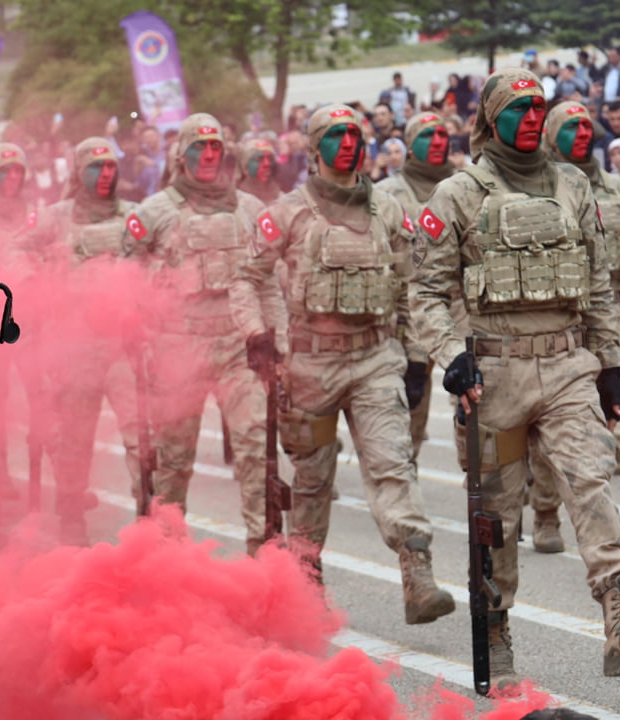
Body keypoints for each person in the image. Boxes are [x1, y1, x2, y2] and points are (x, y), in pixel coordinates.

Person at [411, 69, 620, 683]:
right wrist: (451, 354)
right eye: (519, 109)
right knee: (497, 519)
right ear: (491, 119)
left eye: (539, 108)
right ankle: (495, 630)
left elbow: (601, 285)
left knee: (592, 481)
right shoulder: (458, 193)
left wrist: (611, 363)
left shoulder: (573, 184)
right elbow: (425, 293)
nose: (533, 117)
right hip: (493, 376)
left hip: (566, 366)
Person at [229, 103, 455, 625]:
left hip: (375, 358)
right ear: (315, 149)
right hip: (309, 364)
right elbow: (247, 276)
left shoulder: (389, 211)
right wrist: (258, 334)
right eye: (335, 136)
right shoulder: (286, 212)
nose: (349, 143)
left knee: (393, 465)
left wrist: (418, 357)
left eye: (355, 134)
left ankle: (416, 569)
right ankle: (306, 581)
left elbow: (411, 285)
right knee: (311, 480)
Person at [527, 101, 620, 552]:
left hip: (611, 310)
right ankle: (545, 510)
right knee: (549, 424)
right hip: (553, 317)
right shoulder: (533, 187)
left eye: (585, 127)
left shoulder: (615, 190)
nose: (580, 133)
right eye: (569, 127)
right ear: (551, 134)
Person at [128, 113, 281, 554]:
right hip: (178, 350)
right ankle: (166, 553)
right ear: (182, 156)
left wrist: (277, 340)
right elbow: (124, 274)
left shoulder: (251, 210)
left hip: (239, 348)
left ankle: (264, 551)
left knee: (256, 448)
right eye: (200, 147)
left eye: (216, 148)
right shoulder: (154, 212)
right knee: (172, 462)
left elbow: (268, 281)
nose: (210, 155)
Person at [26, 137, 143, 544]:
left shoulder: (133, 215)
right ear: (79, 172)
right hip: (76, 347)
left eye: (112, 166)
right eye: (97, 167)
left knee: (141, 438)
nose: (106, 174)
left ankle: (149, 524)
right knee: (74, 442)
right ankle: (71, 522)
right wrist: (45, 278)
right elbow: (14, 254)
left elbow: (158, 260)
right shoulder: (54, 218)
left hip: (122, 347)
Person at [376, 112, 454, 461]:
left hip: (460, 310)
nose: (438, 142)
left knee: (483, 405)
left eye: (442, 135)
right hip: (408, 317)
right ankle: (403, 478)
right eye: (428, 136)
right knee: (411, 405)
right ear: (409, 145)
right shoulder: (385, 195)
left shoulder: (466, 187)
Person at [237, 137, 280, 204]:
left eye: (270, 159)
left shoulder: (282, 198)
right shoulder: (235, 200)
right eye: (259, 159)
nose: (267, 164)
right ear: (245, 168)